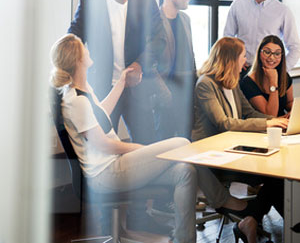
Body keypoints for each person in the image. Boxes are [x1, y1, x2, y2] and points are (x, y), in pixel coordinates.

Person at [49, 34, 251, 239]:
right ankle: (221, 199)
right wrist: (140, 148)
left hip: (117, 164)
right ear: (77, 60)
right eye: (83, 48)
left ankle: (184, 239)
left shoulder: (85, 91)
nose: (87, 48)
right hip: (106, 173)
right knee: (182, 142)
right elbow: (103, 144)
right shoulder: (75, 100)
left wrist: (121, 82)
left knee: (186, 170)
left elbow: (103, 114)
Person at [192, 37, 289, 243]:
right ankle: (289, 224)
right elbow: (224, 123)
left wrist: (277, 121)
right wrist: (268, 124)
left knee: (277, 175)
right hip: (215, 158)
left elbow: (250, 112)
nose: (245, 62)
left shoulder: (231, 82)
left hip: (235, 150)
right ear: (230, 59)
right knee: (274, 177)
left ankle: (253, 220)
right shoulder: (205, 85)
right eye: (243, 56)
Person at [68, 0, 166, 144]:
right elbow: (71, 40)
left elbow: (159, 39)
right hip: (104, 89)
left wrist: (139, 64)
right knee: (101, 146)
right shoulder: (89, 4)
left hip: (138, 87)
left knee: (147, 144)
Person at [224, 0, 300, 75]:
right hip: (241, 70)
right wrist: (235, 59)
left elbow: (295, 47)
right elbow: (227, 38)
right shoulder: (238, 5)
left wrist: (280, 71)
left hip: (268, 72)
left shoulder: (282, 11)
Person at [156, 0, 196, 140]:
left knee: (186, 141)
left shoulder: (185, 19)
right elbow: (149, 64)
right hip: (165, 94)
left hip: (186, 93)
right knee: (164, 143)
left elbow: (190, 55)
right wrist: (164, 93)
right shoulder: (154, 21)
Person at [240, 35, 293, 117]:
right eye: (267, 52)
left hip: (283, 124)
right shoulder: (248, 82)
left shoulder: (284, 76)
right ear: (259, 53)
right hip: (262, 127)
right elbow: (270, 115)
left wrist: (293, 113)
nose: (272, 57)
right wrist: (273, 82)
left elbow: (289, 102)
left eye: (277, 53)